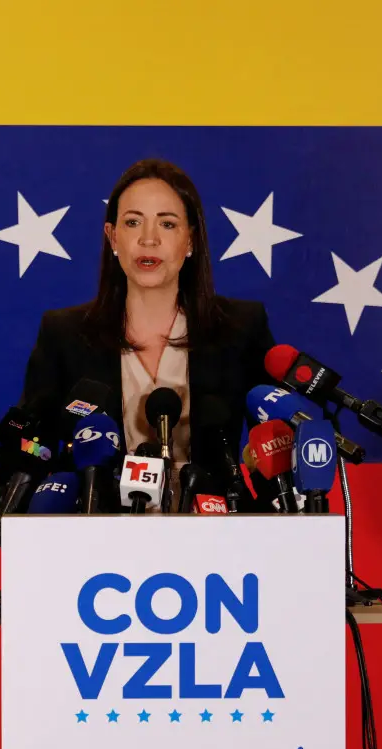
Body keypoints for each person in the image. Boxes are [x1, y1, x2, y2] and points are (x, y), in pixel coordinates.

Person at [18, 158, 277, 510]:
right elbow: (33, 446)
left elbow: (275, 441)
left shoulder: (241, 327)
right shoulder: (64, 334)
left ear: (191, 240)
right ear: (112, 237)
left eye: (167, 224)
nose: (149, 239)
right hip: (99, 541)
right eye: (133, 222)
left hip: (219, 538)